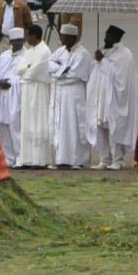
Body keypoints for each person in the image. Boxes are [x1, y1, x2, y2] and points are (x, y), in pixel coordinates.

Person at [88, 25, 138, 169]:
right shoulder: (107, 52)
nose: (105, 38)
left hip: (115, 98)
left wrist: (102, 60)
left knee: (114, 127)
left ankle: (118, 160)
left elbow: (118, 76)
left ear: (116, 38)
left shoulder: (124, 54)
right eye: (105, 35)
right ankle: (105, 159)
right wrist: (98, 60)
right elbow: (98, 71)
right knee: (101, 126)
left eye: (108, 36)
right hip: (102, 96)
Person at [47, 23, 95, 168]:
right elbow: (49, 64)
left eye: (64, 36)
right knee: (61, 126)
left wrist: (60, 72)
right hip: (61, 94)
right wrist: (62, 69)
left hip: (74, 93)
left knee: (74, 126)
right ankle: (62, 159)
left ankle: (77, 160)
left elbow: (74, 75)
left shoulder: (82, 53)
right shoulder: (60, 51)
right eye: (61, 36)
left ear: (73, 37)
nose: (61, 39)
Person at [0, 29, 26, 165]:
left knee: (16, 126)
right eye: (14, 42)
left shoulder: (26, 56)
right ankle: (8, 158)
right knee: (3, 126)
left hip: (16, 95)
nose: (17, 44)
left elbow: (25, 77)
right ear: (11, 42)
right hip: (3, 95)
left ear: (23, 41)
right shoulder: (4, 56)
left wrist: (12, 83)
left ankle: (20, 157)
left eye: (19, 41)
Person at [16, 24, 55, 168]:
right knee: (27, 122)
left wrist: (26, 70)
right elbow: (18, 69)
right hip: (27, 89)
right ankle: (28, 159)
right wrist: (27, 69)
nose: (27, 39)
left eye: (28, 36)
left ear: (35, 36)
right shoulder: (29, 51)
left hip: (38, 89)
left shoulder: (45, 51)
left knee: (38, 122)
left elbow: (35, 71)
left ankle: (40, 160)